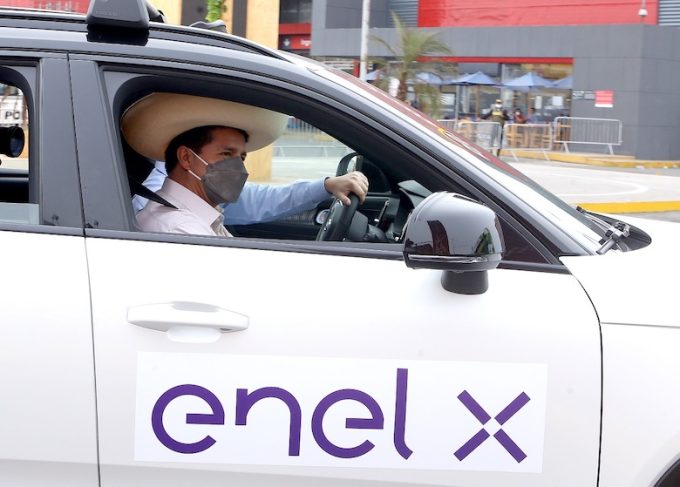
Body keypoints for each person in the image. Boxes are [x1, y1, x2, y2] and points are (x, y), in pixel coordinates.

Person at [122, 92, 368, 237]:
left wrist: (325, 186)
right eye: (226, 154)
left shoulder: (198, 207)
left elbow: (261, 199)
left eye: (241, 157)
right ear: (186, 158)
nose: (238, 169)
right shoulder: (181, 230)